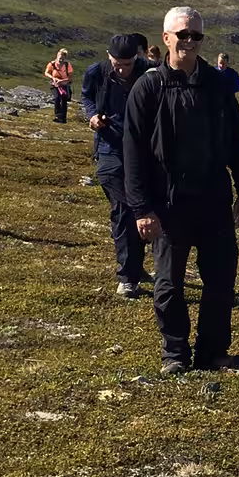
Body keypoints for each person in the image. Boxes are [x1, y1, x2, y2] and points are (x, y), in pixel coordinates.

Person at [124, 6, 239, 375]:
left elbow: (237, 141)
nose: (190, 42)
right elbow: (132, 151)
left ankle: (212, 353)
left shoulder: (218, 85)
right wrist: (141, 209)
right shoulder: (148, 87)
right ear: (166, 38)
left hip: (214, 198)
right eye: (183, 35)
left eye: (197, 36)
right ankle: (175, 353)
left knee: (220, 281)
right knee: (168, 283)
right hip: (167, 202)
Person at [82, 34, 146, 297]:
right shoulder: (96, 72)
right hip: (109, 148)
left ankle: (135, 267)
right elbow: (86, 97)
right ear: (109, 57)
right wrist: (92, 116)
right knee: (124, 209)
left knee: (142, 208)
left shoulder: (148, 72)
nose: (121, 69)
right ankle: (127, 277)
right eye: (117, 63)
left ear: (136, 59)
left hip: (142, 150)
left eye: (127, 64)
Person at [45, 49, 75, 124]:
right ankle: (57, 116)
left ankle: (63, 118)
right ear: (57, 56)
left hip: (64, 85)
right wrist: (53, 78)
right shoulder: (52, 64)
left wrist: (62, 81)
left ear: (65, 57)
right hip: (54, 85)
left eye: (62, 58)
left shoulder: (67, 65)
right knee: (57, 98)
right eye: (59, 57)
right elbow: (46, 73)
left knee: (64, 100)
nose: (60, 59)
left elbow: (70, 77)